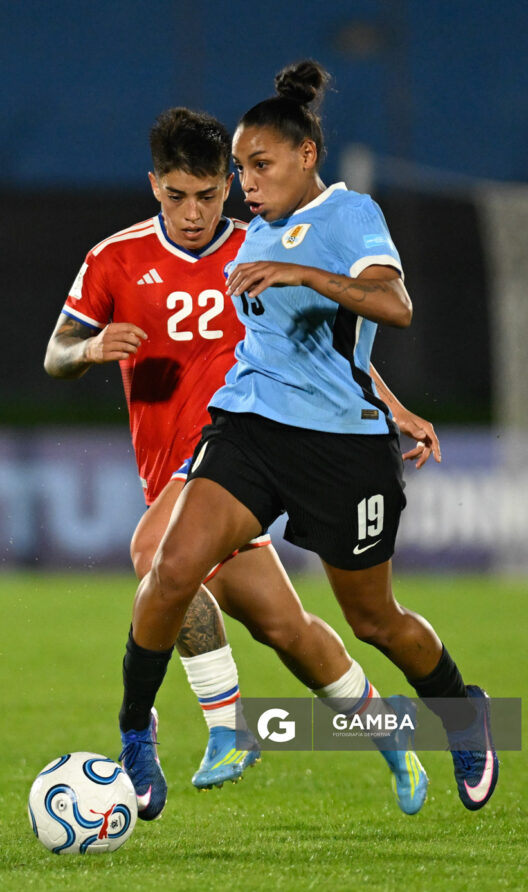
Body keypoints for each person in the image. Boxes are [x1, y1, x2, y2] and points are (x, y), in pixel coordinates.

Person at [115, 62, 498, 821]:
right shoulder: (250, 235)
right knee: (169, 569)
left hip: (340, 451)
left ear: (306, 157)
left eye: (260, 166)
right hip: (249, 430)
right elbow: (296, 350)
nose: (247, 184)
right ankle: (135, 734)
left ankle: (462, 710)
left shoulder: (348, 216)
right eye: (240, 170)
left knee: (373, 620)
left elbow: (394, 306)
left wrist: (305, 279)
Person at [44, 106, 437, 820]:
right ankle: (395, 739)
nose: (193, 214)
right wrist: (88, 351)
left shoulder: (263, 249)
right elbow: (56, 352)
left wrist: (395, 408)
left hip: (243, 455)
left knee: (153, 555)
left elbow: (328, 352)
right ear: (153, 186)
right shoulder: (114, 259)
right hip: (178, 472)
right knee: (289, 633)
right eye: (175, 196)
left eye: (207, 195)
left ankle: (216, 729)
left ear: (228, 186)